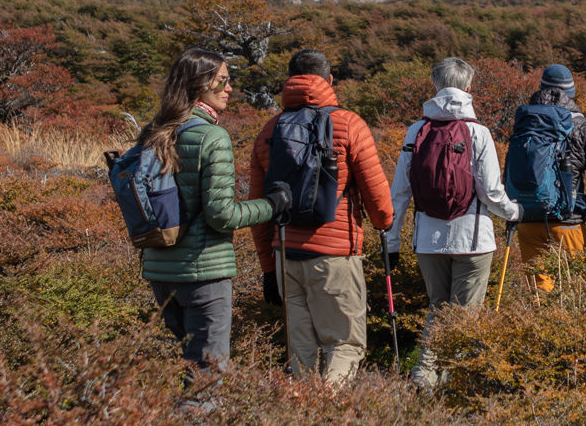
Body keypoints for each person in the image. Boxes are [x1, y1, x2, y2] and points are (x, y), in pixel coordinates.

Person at [134, 50, 289, 374]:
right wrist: (272, 205)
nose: (229, 88)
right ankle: (201, 423)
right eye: (222, 81)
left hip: (161, 273)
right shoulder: (212, 136)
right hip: (202, 273)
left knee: (192, 367)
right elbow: (222, 215)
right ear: (199, 84)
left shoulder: (155, 132)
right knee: (208, 374)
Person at [249, 48, 394, 384]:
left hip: (285, 254)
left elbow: (258, 209)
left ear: (289, 80)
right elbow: (377, 195)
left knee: (301, 352)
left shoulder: (269, 131)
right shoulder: (348, 123)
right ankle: (327, 417)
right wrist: (384, 224)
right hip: (334, 255)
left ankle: (301, 422)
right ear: (329, 80)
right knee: (344, 344)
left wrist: (268, 269)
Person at [388, 57, 520, 387]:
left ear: (434, 85)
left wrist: (391, 244)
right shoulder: (478, 133)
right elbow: (490, 192)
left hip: (428, 240)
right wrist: (514, 212)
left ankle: (424, 374)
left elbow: (399, 192)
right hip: (473, 239)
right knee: (465, 314)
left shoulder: (416, 131)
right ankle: (453, 382)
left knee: (439, 308)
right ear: (469, 87)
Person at [503, 62, 586, 285]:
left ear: (541, 89)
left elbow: (509, 171)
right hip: (568, 222)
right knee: (573, 295)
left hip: (527, 219)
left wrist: (510, 218)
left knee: (540, 296)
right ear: (571, 94)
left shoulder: (525, 124)